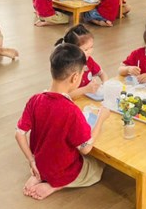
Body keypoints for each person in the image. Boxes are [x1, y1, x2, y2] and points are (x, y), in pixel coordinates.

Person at [15, 43, 110, 200]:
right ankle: (56, 185)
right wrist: (101, 118)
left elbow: (19, 134)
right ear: (75, 77)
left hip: (40, 163)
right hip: (62, 171)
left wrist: (31, 160)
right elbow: (86, 148)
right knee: (98, 166)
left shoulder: (35, 99)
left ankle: (39, 175)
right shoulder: (71, 111)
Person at [54, 24, 108, 99]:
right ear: (73, 50)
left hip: (87, 99)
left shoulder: (88, 60)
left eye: (91, 47)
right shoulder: (68, 67)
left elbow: (102, 73)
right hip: (72, 101)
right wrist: (85, 89)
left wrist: (105, 84)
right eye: (86, 49)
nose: (90, 52)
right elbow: (65, 96)